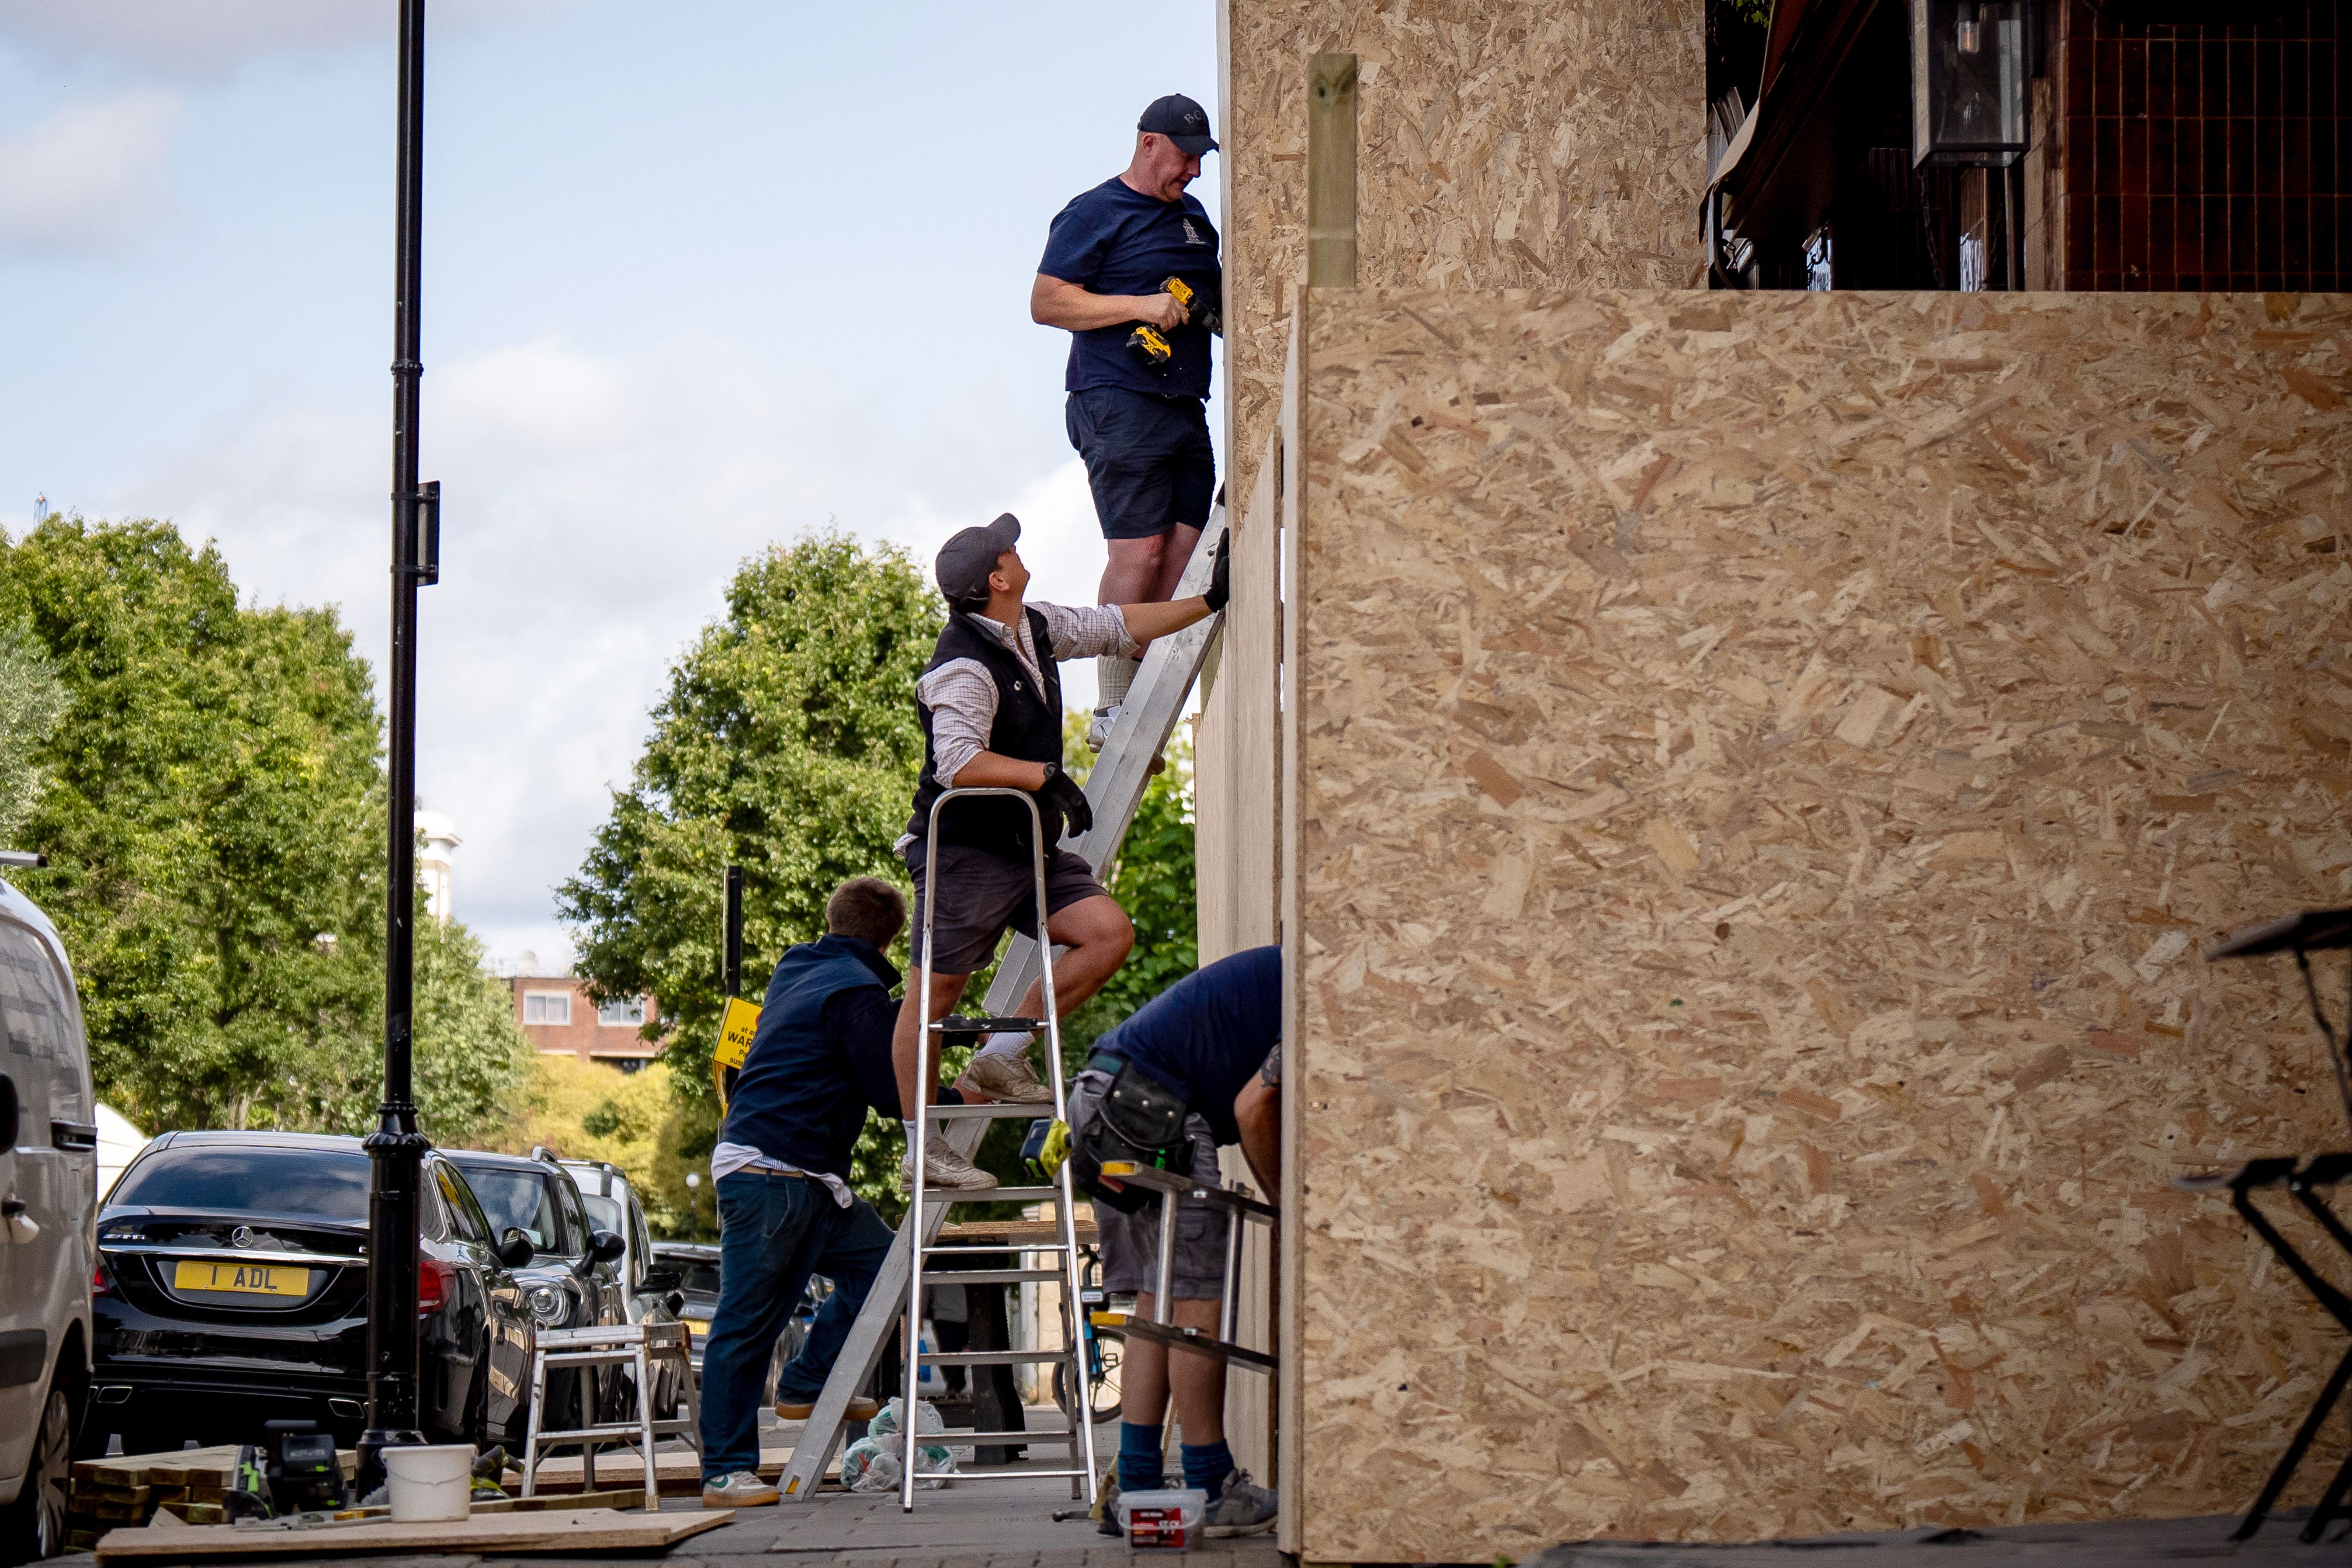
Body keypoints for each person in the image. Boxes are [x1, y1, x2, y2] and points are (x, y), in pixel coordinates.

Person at [894, 510, 1226, 1192]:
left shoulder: (1033, 624)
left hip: (1025, 847)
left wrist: (1207, 602)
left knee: (1107, 935)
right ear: (996, 577)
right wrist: (1041, 776)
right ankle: (919, 1147)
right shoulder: (962, 665)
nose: (1018, 550)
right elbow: (957, 761)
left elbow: (1115, 627)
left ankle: (1003, 1052)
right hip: (965, 853)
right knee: (935, 994)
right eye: (1007, 550)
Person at [696, 876, 915, 1508]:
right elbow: (888, 1087)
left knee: (883, 1263)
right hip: (774, 1176)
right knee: (746, 1320)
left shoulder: (798, 971)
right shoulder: (857, 993)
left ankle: (809, 1378)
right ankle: (725, 1472)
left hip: (802, 1175)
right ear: (889, 938)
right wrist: (959, 1096)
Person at [1063, 945, 1282, 1538]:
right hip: (1154, 1114)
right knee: (1196, 1300)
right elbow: (1252, 1108)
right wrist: (1288, 1204)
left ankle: (1135, 1481)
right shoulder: (1314, 995)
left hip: (1100, 1098)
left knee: (1158, 1299)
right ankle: (1212, 1484)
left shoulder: (1281, 972)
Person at [1032, 93, 1222, 752]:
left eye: (1201, 159)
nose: (1193, 171)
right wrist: (1141, 306)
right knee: (1138, 550)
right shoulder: (1095, 211)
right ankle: (1112, 704)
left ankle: (1139, 678)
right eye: (1185, 156)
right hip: (1116, 398)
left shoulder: (1195, 219)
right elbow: (1047, 301)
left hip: (1182, 402)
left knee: (1184, 549)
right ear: (1148, 144)